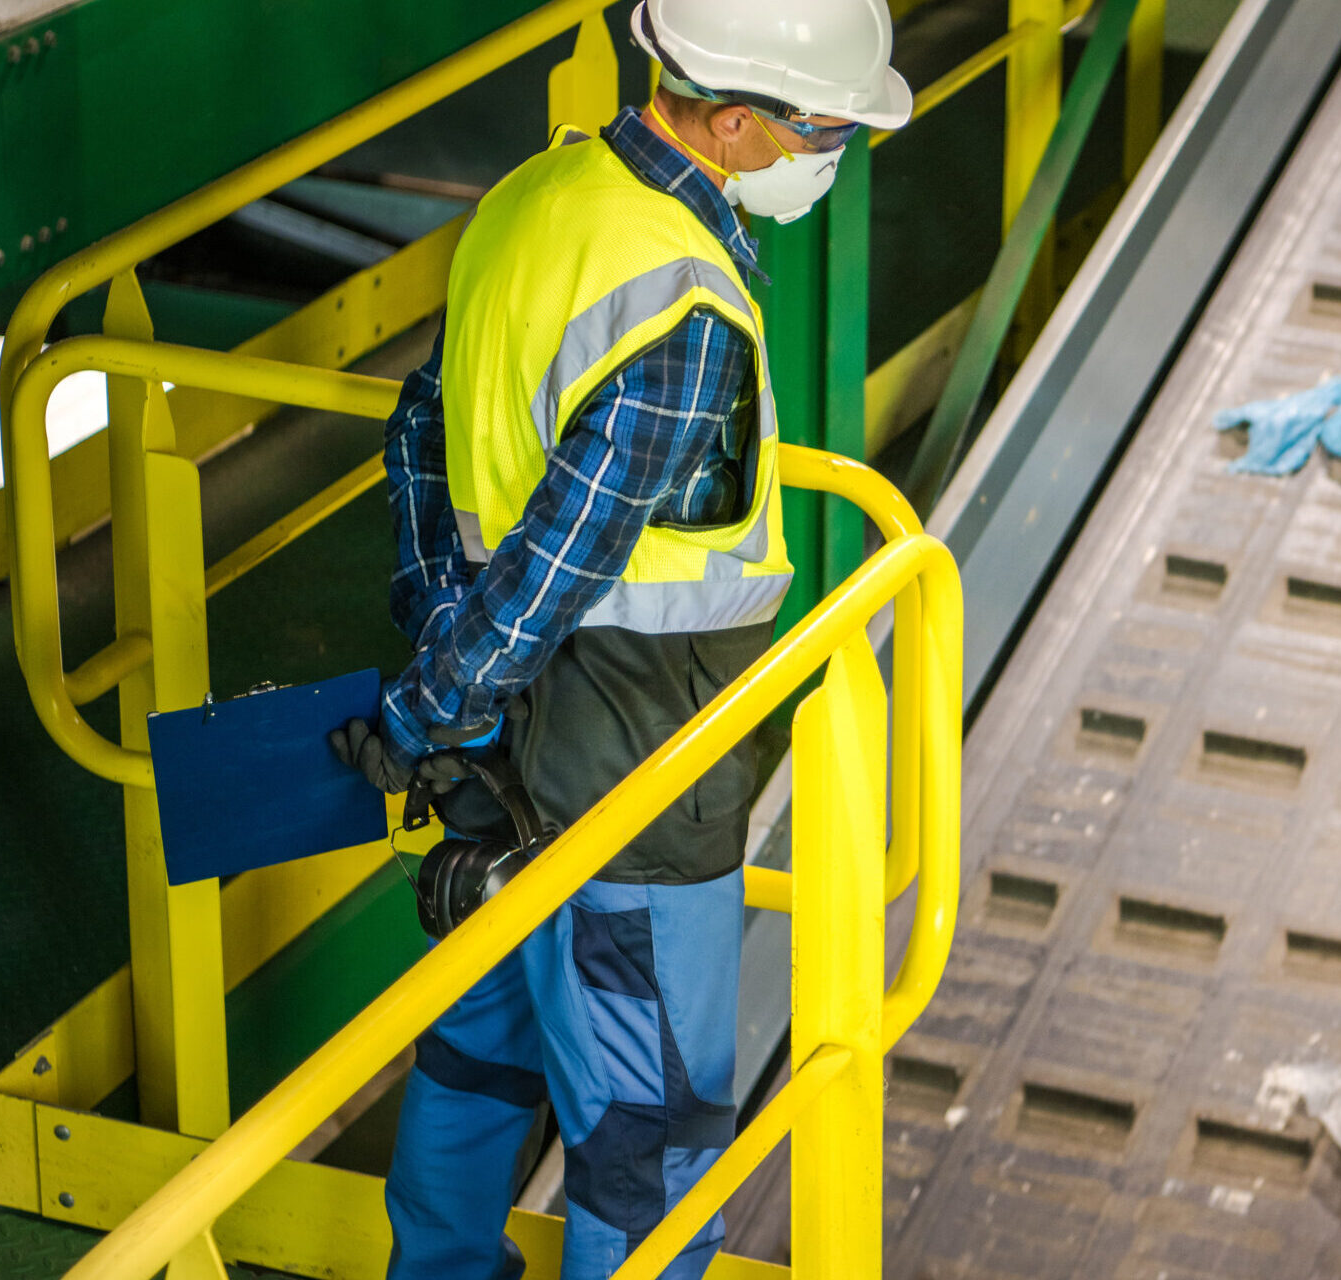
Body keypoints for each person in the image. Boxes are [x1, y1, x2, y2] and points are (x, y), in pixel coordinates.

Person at [325, 2, 909, 1276]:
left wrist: (441, 681)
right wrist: (437, 705)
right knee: (652, 1115)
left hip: (501, 732)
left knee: (478, 1044)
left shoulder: (532, 201)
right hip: (636, 751)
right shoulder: (684, 303)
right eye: (828, 131)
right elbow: (562, 562)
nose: (835, 155)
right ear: (740, 121)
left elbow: (422, 436)